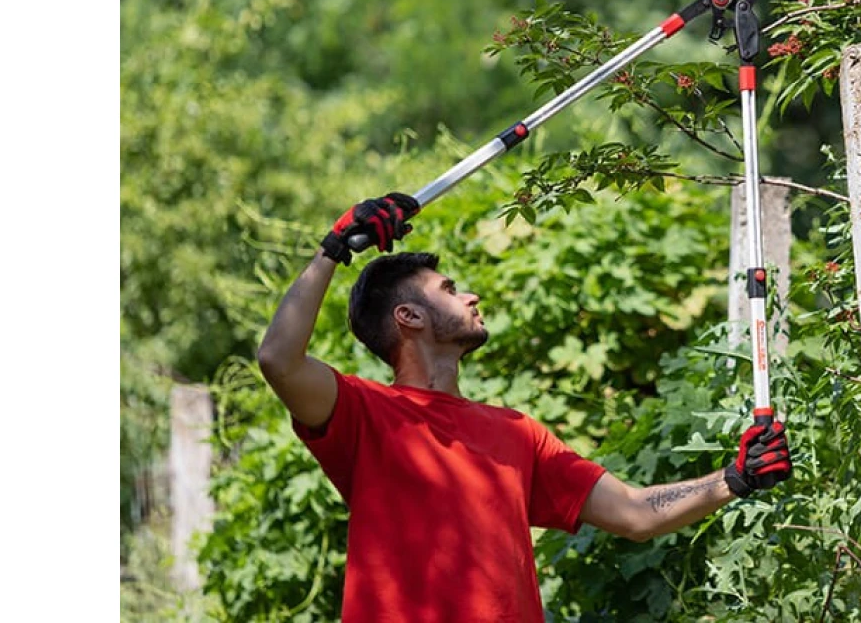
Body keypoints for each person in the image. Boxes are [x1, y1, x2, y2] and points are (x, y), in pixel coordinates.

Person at [258, 193, 792, 623]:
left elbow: (633, 514)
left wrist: (736, 478)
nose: (470, 297)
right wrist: (334, 247)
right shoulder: (362, 413)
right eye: (448, 290)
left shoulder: (517, 432)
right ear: (409, 317)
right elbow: (278, 359)